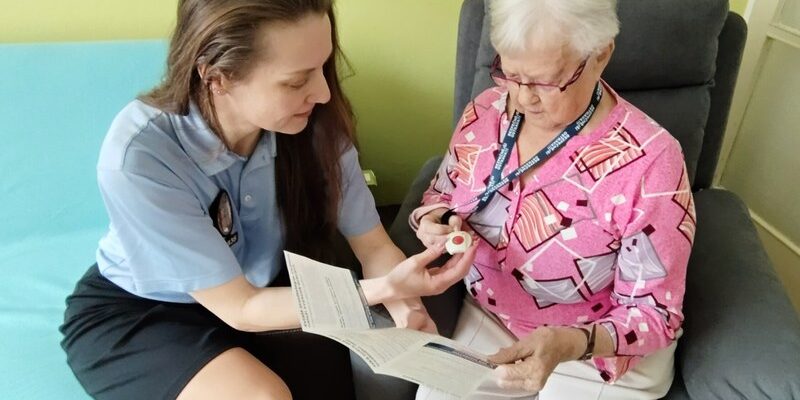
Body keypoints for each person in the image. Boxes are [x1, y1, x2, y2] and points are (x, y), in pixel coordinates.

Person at [59, 1, 477, 399]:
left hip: (266, 289)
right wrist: (383, 288)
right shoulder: (141, 156)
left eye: (323, 67)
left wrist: (406, 307)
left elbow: (371, 245)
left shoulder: (312, 124)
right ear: (216, 76)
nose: (323, 93)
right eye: (296, 81)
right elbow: (241, 307)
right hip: (147, 310)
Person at [411, 0, 694, 399]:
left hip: (599, 350)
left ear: (600, 55)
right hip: (493, 317)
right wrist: (435, 219)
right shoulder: (486, 110)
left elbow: (656, 313)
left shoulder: (652, 162)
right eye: (511, 74)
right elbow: (441, 193)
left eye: (546, 82)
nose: (523, 98)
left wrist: (571, 343)